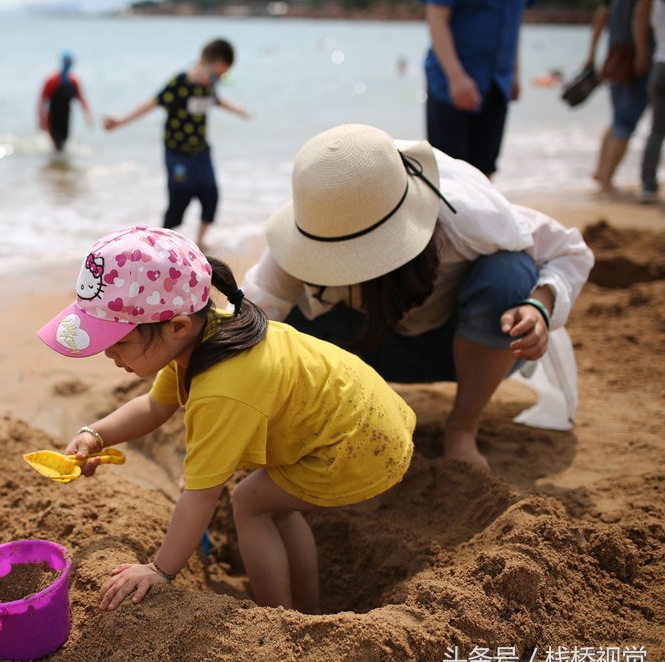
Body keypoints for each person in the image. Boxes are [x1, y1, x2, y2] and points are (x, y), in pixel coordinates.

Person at [36, 226, 416, 613]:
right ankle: (306, 607)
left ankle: (278, 616)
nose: (108, 354)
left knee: (251, 502)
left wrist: (159, 569)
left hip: (358, 444)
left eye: (119, 341)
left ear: (177, 326)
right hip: (362, 418)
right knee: (274, 505)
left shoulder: (221, 385)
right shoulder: (204, 336)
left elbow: (200, 495)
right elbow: (153, 407)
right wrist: (95, 434)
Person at [241, 124, 595, 472]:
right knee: (268, 328)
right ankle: (332, 423)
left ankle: (462, 429)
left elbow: (569, 251)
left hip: (461, 347)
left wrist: (539, 306)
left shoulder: (469, 214)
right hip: (359, 350)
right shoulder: (317, 224)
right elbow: (247, 320)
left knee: (510, 271)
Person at [103, 39, 249, 250]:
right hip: (177, 153)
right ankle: (161, 243)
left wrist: (237, 109)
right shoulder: (180, 82)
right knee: (180, 195)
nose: (216, 79)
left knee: (211, 193)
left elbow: (217, 100)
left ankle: (200, 241)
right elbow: (152, 103)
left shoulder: (209, 87)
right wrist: (121, 121)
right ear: (203, 62)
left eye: (221, 76)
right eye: (215, 74)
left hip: (201, 152)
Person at [423, 0, 533, 177]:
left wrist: (514, 71)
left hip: (498, 82)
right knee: (448, 173)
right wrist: (456, 77)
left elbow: (514, 19)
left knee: (485, 171)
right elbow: (436, 18)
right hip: (450, 84)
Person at [586, 0, 654, 195]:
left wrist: (591, 56)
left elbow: (599, 18)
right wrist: (642, 54)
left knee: (617, 118)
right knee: (625, 122)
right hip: (634, 58)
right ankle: (607, 182)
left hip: (614, 54)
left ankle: (600, 173)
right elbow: (640, 15)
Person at [38, 51, 93, 153]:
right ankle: (55, 166)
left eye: (70, 61)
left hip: (66, 116)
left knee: (64, 141)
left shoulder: (74, 81)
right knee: (57, 144)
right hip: (53, 117)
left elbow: (81, 99)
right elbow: (42, 101)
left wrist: (88, 115)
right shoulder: (51, 80)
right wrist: (41, 119)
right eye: (66, 61)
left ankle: (59, 164)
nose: (68, 63)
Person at [639, 0, 665, 203]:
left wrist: (641, 55)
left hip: (659, 65)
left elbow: (640, 18)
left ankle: (648, 186)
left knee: (656, 131)